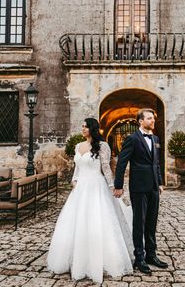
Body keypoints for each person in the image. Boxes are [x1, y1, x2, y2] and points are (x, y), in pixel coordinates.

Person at [47, 118, 133, 284]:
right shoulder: (78, 146)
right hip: (80, 189)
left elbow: (106, 168)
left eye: (86, 126)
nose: (83, 129)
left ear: (93, 129)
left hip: (97, 186)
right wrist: (74, 180)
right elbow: (77, 168)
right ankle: (75, 258)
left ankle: (103, 260)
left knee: (98, 221)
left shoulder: (103, 146)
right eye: (82, 126)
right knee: (76, 222)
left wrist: (113, 186)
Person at [113, 108, 168, 275]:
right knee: (139, 222)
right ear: (141, 121)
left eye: (153, 118)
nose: (153, 121)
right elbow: (122, 163)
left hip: (153, 186)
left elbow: (156, 163)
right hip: (138, 186)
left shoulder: (156, 138)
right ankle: (139, 257)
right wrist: (118, 185)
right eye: (149, 118)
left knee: (152, 221)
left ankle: (151, 255)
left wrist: (159, 182)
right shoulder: (132, 139)